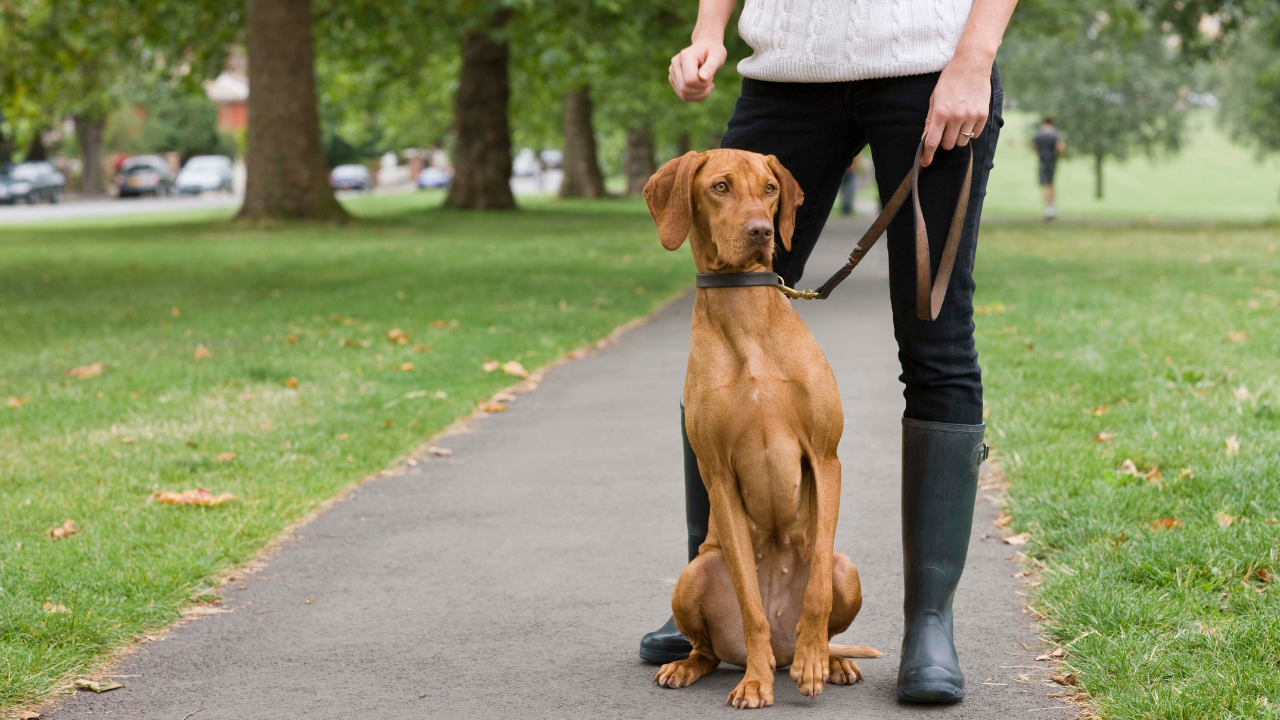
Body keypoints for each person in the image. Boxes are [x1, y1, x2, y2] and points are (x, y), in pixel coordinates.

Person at [639, 0, 1017, 704]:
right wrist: (706, 34)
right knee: (724, 322)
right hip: (786, 70)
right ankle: (717, 582)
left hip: (928, 67)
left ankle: (930, 621)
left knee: (936, 341)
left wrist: (976, 56)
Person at [1033, 117, 1065, 220]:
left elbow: (1034, 147)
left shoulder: (1039, 134)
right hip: (1052, 162)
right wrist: (1057, 155)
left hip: (1043, 162)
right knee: (1051, 184)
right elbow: (1061, 147)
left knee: (1045, 185)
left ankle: (1048, 209)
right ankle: (1052, 207)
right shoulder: (1055, 134)